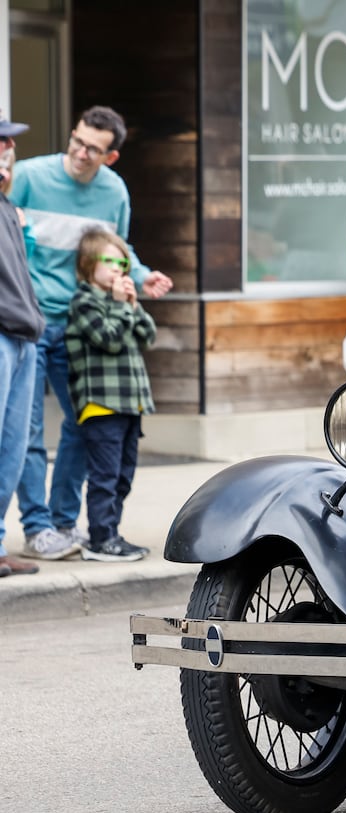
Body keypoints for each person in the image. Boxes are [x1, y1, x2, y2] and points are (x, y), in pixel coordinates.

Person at [8, 106, 171, 561]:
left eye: (93, 149)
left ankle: (63, 522)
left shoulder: (113, 192)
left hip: (76, 324)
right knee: (30, 430)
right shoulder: (28, 177)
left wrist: (140, 276)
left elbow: (118, 250)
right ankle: (37, 527)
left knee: (84, 425)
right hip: (28, 320)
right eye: (77, 142)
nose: (80, 153)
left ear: (110, 156)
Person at [63, 230, 156, 559]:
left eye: (123, 263)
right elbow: (110, 340)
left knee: (123, 475)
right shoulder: (84, 302)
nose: (119, 269)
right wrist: (119, 306)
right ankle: (101, 537)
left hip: (130, 403)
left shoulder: (120, 303)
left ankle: (111, 533)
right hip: (101, 405)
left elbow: (148, 335)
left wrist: (132, 304)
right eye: (111, 261)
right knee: (104, 476)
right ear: (89, 263)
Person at [0, 110, 45, 579]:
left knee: (12, 451)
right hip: (2, 337)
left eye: (9, 143)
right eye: (0, 143)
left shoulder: (8, 208)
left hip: (22, 338)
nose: (8, 150)